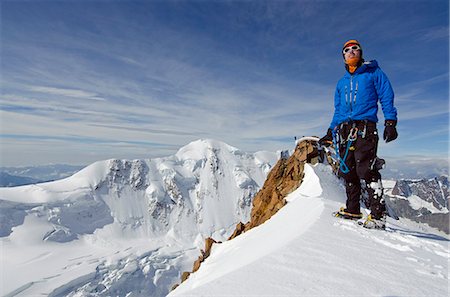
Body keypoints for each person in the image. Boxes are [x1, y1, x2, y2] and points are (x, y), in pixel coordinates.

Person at [319, 39, 398, 229]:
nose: (351, 51)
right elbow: (338, 109)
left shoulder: (374, 73)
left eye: (355, 48)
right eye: (347, 50)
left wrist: (390, 121)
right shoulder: (342, 83)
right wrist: (331, 130)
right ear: (343, 57)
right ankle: (352, 209)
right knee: (348, 171)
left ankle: (378, 216)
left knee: (366, 169)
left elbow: (386, 95)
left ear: (361, 52)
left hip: (365, 127)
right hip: (344, 129)